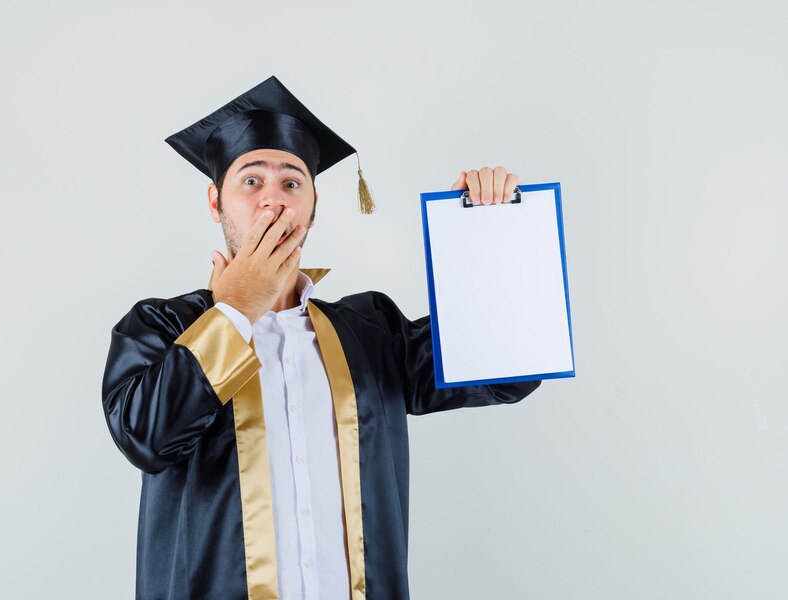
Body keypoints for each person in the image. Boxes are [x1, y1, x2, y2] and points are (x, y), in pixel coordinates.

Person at [101, 75, 541, 600]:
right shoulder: (161, 328)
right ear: (215, 201)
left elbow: (508, 371)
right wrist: (236, 309)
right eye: (250, 182)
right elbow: (145, 437)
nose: (273, 203)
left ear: (314, 205)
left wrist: (485, 236)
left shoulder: (369, 332)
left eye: (292, 183)